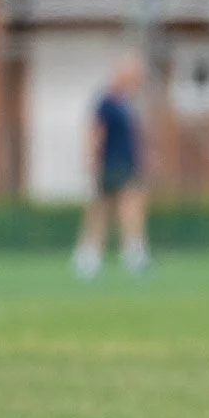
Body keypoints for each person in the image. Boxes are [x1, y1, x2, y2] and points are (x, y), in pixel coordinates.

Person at [72, 56, 150, 277]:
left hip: (126, 163)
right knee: (102, 210)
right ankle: (89, 256)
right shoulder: (106, 101)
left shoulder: (126, 102)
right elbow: (96, 132)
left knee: (131, 206)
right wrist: (91, 159)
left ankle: (132, 253)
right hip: (109, 162)